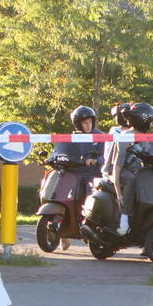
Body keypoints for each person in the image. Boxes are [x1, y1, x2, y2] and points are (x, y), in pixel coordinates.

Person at [52, 105, 103, 250]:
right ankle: (63, 234)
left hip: (93, 177)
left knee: (90, 201)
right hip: (74, 176)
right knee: (63, 198)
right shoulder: (71, 138)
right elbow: (60, 151)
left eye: (90, 122)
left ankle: (91, 228)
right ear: (77, 124)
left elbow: (107, 155)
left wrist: (97, 160)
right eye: (84, 122)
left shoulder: (100, 136)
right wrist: (54, 158)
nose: (88, 125)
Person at [114, 103, 153, 236]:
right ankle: (124, 220)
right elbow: (117, 166)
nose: (152, 125)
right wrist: (118, 192)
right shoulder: (125, 137)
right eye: (150, 121)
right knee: (132, 179)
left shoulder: (148, 137)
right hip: (126, 173)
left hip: (142, 172)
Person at [102, 103, 132, 181]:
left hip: (131, 167)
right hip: (115, 168)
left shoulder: (134, 132)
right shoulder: (115, 132)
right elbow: (111, 155)